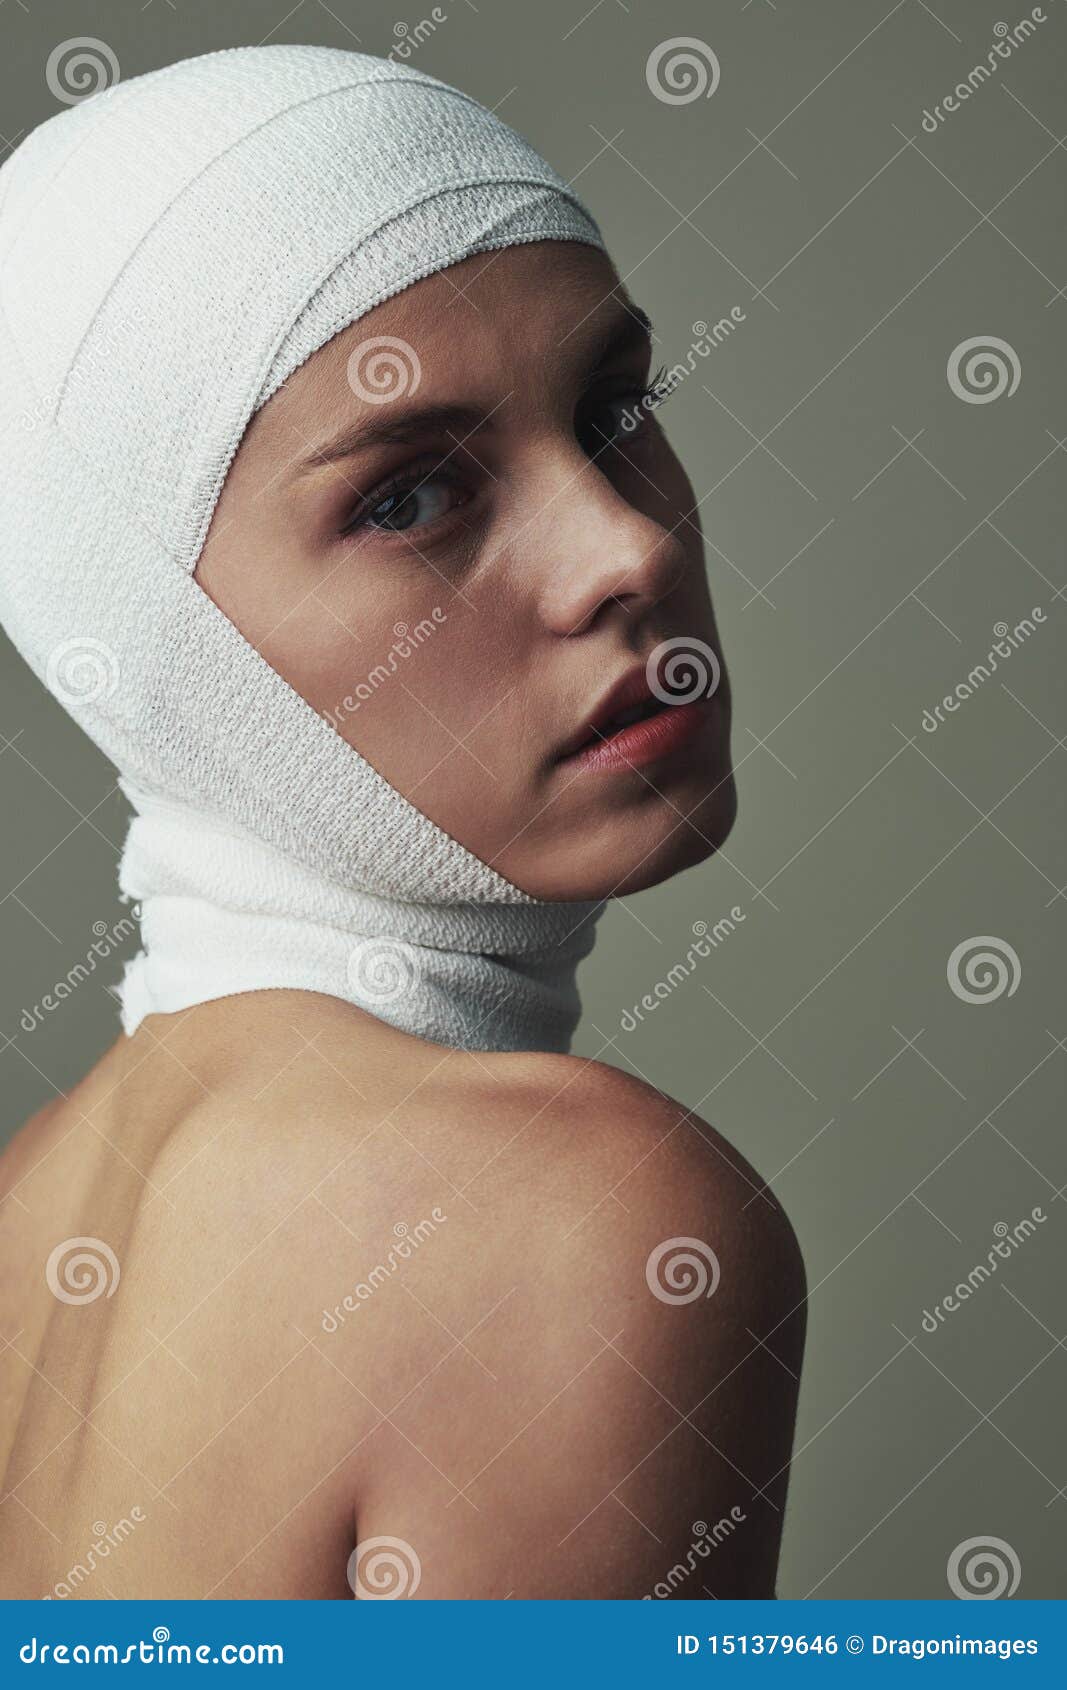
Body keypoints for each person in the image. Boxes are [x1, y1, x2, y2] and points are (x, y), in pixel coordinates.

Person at [0, 43, 805, 1600]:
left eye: (615, 403)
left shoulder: (27, 1219)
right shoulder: (582, 1215)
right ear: (170, 653)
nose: (626, 544)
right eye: (409, 496)